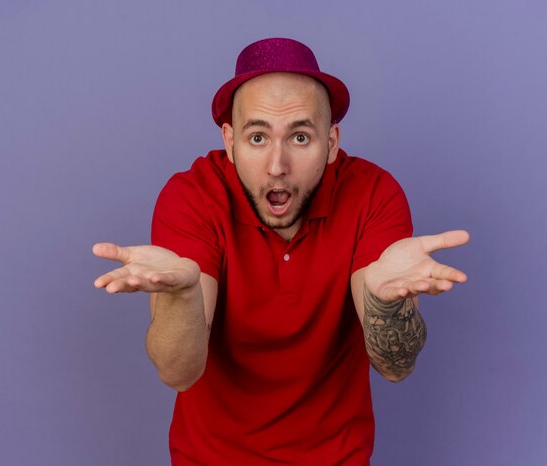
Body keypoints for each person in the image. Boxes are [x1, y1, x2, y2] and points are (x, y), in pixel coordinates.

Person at [92, 38, 469, 465]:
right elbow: (179, 374)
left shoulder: (372, 194)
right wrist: (182, 297)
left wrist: (384, 304)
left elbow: (395, 367)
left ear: (332, 143)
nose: (277, 165)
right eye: (257, 137)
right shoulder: (192, 197)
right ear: (229, 141)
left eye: (301, 137)